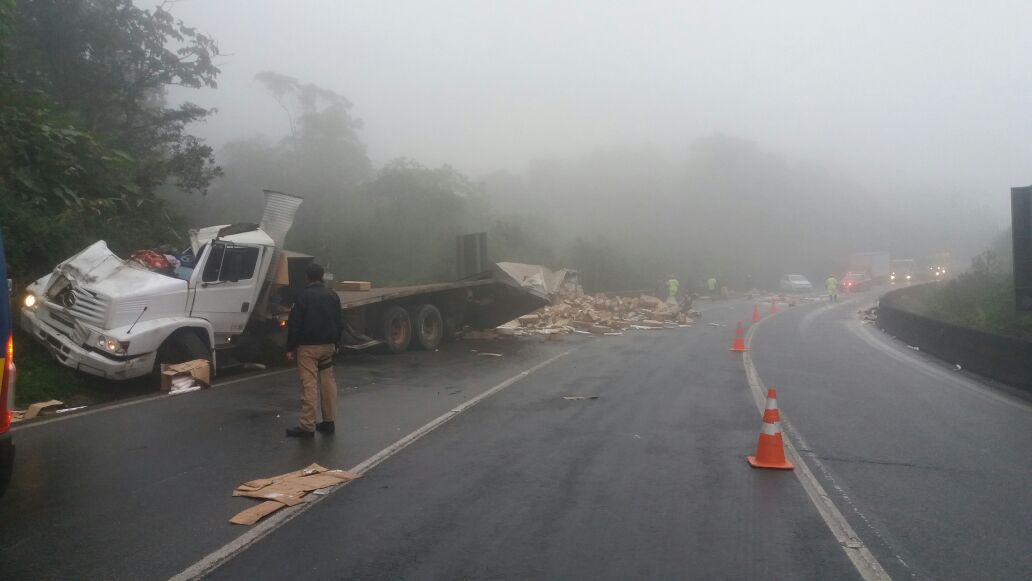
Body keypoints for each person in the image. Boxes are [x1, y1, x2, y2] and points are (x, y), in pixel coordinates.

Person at [285, 262, 343, 438]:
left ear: (307, 277)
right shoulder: (333, 295)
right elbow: (340, 321)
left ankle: (307, 426)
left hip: (309, 348)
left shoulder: (303, 297)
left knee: (308, 384)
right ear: (322, 276)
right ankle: (329, 421)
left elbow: (295, 324)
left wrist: (290, 347)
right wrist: (337, 344)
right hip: (329, 346)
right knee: (328, 382)